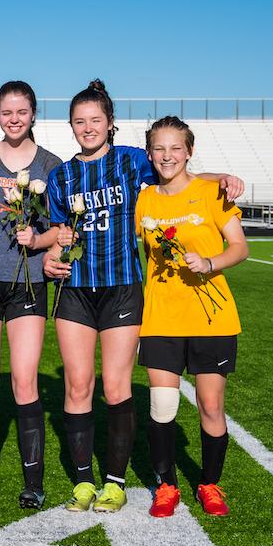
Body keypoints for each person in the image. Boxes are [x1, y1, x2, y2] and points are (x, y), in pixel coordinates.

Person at [43, 80, 243, 514]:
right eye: (80, 121)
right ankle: (81, 483)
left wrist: (222, 177)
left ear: (110, 124)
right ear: (71, 126)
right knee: (78, 385)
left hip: (122, 288)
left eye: (96, 119)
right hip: (74, 289)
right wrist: (49, 258)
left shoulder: (133, 161)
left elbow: (180, 173)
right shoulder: (60, 176)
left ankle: (115, 483)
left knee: (116, 387)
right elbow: (60, 236)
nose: (88, 127)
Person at [137, 117, 248, 518]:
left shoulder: (211, 194)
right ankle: (166, 486)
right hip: (161, 318)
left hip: (211, 318)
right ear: (150, 154)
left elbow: (240, 246)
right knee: (162, 406)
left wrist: (210, 262)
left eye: (175, 148)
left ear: (189, 152)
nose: (167, 156)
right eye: (159, 149)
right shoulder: (144, 199)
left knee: (210, 405)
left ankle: (210, 484)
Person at [0, 81, 62, 508]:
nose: (14, 119)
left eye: (22, 112)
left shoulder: (52, 165)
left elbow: (63, 226)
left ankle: (33, 481)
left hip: (28, 283)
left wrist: (43, 242)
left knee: (24, 380)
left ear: (34, 113)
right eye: (6, 112)